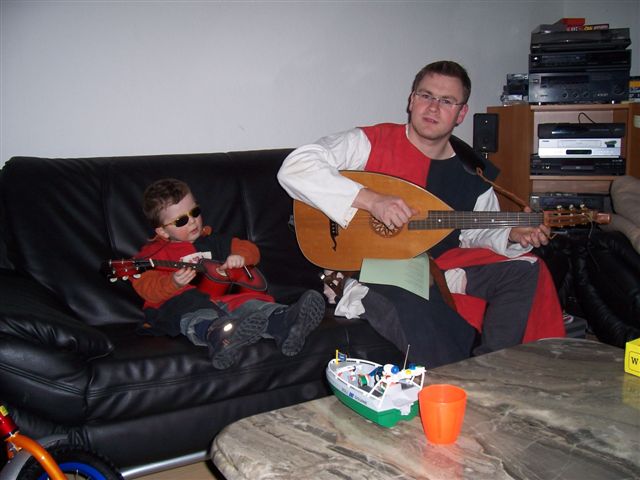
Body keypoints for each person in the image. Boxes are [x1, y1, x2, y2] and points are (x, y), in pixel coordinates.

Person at [278, 60, 565, 367]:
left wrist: (512, 234)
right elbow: (295, 168)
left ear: (461, 113)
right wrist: (371, 200)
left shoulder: (473, 172)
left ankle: (493, 369)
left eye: (447, 101)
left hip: (440, 268)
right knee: (418, 307)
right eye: (426, 96)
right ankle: (459, 382)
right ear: (412, 100)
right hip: (372, 269)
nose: (433, 107)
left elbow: (475, 233)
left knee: (527, 268)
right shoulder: (370, 142)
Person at [131, 178, 325, 369]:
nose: (192, 221)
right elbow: (145, 287)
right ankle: (219, 336)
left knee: (252, 305)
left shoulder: (214, 240)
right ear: (163, 232)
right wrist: (172, 283)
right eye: (181, 220)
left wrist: (240, 257)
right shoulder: (153, 255)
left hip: (227, 298)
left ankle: (285, 322)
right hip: (187, 304)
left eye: (195, 212)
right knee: (195, 312)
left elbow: (251, 249)